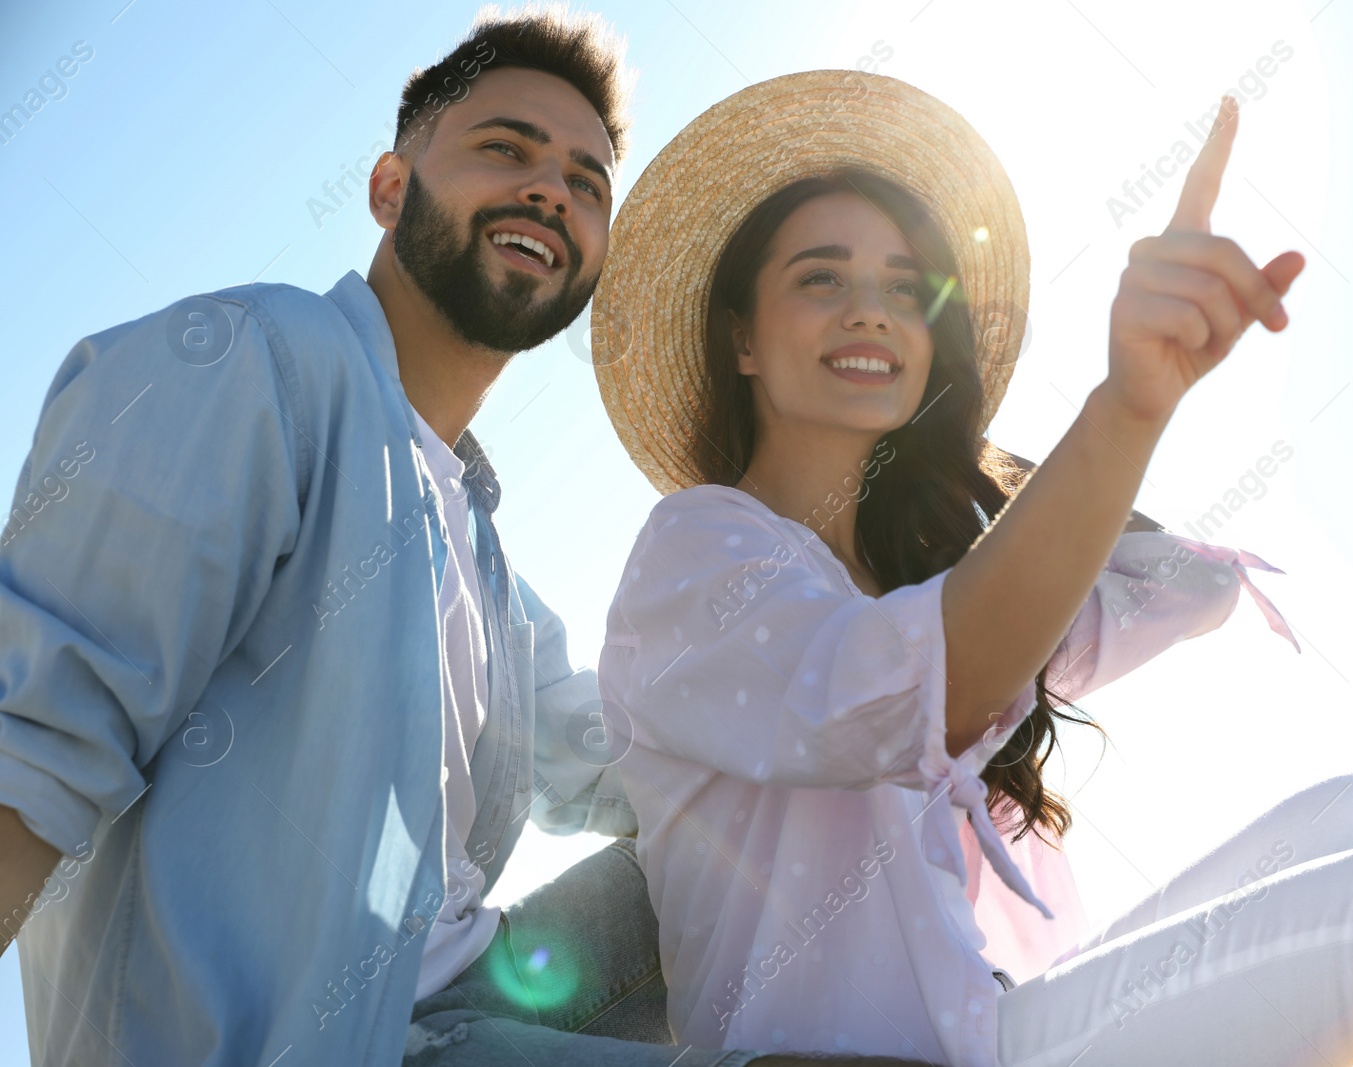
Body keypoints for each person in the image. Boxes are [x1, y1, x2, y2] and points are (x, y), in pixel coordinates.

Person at [589, 70, 1353, 1066]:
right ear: (741, 340)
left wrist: (992, 466)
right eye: (820, 277)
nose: (871, 310)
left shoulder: (929, 583)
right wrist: (1125, 405)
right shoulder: (698, 547)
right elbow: (918, 690)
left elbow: (1187, 584)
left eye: (906, 288)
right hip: (910, 1056)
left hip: (1006, 1025)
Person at [0, 10, 919, 1067]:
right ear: (391, 189)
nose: (550, 190)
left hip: (473, 999)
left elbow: (655, 754)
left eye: (586, 182)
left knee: (772, 845)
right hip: (326, 1043)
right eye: (505, 149)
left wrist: (922, 668)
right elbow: (34, 723)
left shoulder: (487, 564)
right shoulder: (255, 362)